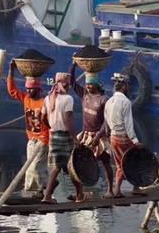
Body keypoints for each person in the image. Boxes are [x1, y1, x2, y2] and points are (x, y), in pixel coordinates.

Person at [70, 65, 115, 198]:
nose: (88, 86)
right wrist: (73, 65)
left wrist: (98, 137)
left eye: (91, 84)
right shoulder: (84, 95)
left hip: (100, 136)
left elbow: (107, 121)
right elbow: (72, 82)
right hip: (86, 135)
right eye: (87, 84)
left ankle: (110, 190)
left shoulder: (104, 99)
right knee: (79, 163)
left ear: (97, 84)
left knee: (106, 162)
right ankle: (79, 193)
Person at [7, 62, 50, 197]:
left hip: (43, 139)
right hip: (31, 139)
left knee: (36, 165)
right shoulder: (26, 99)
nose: (29, 91)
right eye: (27, 89)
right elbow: (12, 91)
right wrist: (11, 71)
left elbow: (50, 122)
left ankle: (39, 191)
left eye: (31, 89)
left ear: (38, 89)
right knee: (30, 167)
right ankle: (37, 190)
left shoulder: (45, 102)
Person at [42, 72, 80, 204]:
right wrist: (75, 138)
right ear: (65, 85)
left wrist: (51, 126)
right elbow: (68, 120)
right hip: (65, 136)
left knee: (57, 166)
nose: (68, 87)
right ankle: (48, 196)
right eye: (67, 85)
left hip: (53, 135)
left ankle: (78, 193)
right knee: (72, 165)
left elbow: (42, 118)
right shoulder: (68, 99)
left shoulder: (48, 98)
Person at [104, 72, 140, 198]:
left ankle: (120, 189)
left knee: (120, 163)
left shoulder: (109, 102)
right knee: (134, 159)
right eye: (127, 85)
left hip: (113, 137)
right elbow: (128, 125)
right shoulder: (126, 102)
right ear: (124, 87)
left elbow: (107, 121)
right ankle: (131, 188)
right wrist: (135, 141)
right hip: (123, 137)